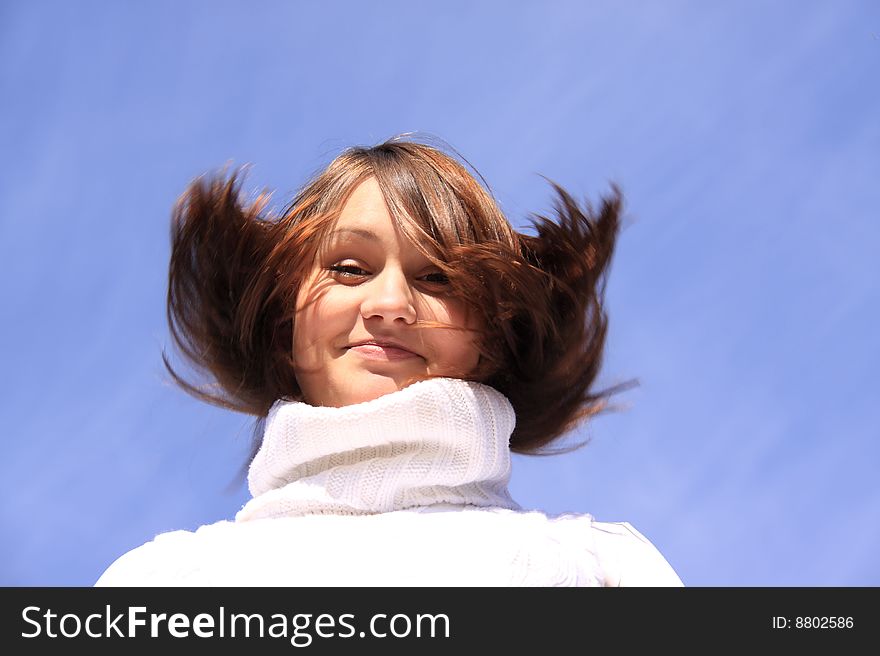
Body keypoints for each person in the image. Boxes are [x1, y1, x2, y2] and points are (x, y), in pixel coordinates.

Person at [95, 134, 683, 586]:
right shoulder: (164, 584)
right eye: (349, 269)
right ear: (283, 322)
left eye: (439, 278)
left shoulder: (602, 572)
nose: (391, 304)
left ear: (493, 341)